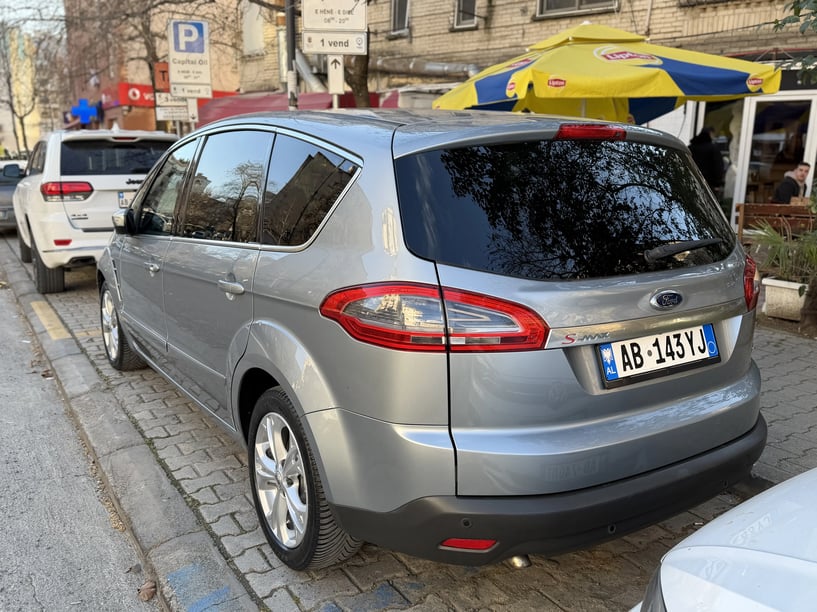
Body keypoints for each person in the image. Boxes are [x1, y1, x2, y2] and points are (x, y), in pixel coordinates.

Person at [688, 127, 725, 194]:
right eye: (713, 135)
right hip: (707, 186)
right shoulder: (713, 148)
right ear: (710, 134)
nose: (714, 137)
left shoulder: (690, 147)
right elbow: (718, 167)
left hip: (691, 182)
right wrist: (717, 184)